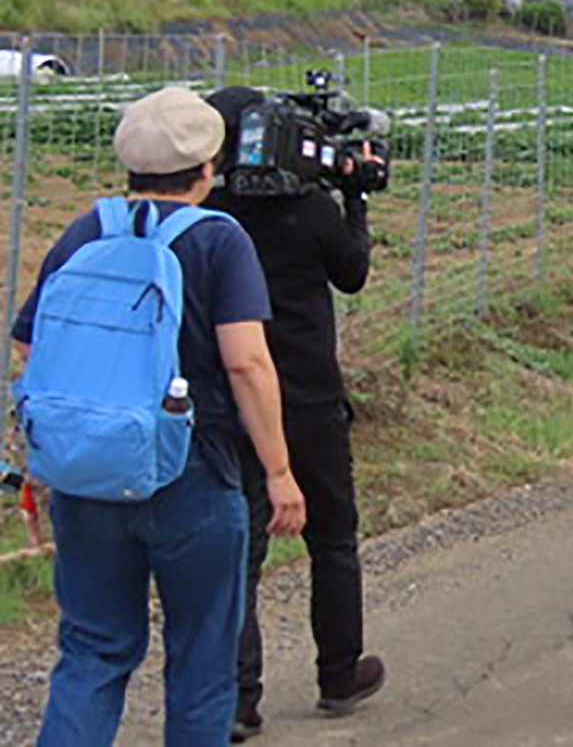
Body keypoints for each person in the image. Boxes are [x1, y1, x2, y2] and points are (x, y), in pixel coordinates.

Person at [12, 86, 305, 745]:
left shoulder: (86, 230)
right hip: (193, 472)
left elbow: (31, 341)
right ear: (208, 169)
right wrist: (280, 471)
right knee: (201, 664)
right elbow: (247, 364)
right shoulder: (218, 241)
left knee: (92, 652)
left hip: (88, 474)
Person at [200, 87, 386, 740]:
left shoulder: (213, 211)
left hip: (233, 398)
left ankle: (237, 697)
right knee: (332, 537)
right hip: (307, 393)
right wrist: (354, 199)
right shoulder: (311, 210)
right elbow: (353, 273)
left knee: (240, 551)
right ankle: (339, 673)